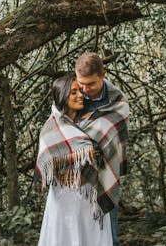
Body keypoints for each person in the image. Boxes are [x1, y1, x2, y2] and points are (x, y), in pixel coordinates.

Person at [36, 75, 121, 246]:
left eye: (80, 91)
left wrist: (82, 168)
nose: (80, 95)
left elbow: (102, 150)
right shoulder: (51, 128)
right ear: (62, 95)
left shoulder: (91, 121)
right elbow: (45, 162)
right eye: (73, 92)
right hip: (63, 198)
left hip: (90, 195)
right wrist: (74, 161)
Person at [75, 52, 129, 246]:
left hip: (104, 173)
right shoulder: (73, 92)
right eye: (82, 83)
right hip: (72, 175)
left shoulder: (117, 101)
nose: (85, 89)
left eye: (91, 84)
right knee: (77, 233)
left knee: (108, 234)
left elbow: (107, 138)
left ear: (103, 75)